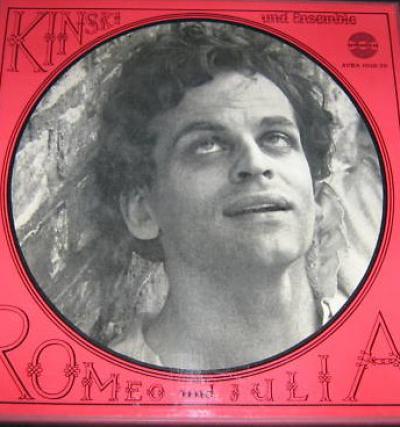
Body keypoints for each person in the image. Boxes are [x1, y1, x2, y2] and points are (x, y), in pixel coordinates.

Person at [93, 22, 352, 370]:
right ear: (142, 211)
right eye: (207, 145)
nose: (256, 163)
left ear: (315, 192)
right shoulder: (109, 387)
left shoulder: (379, 348)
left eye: (276, 138)